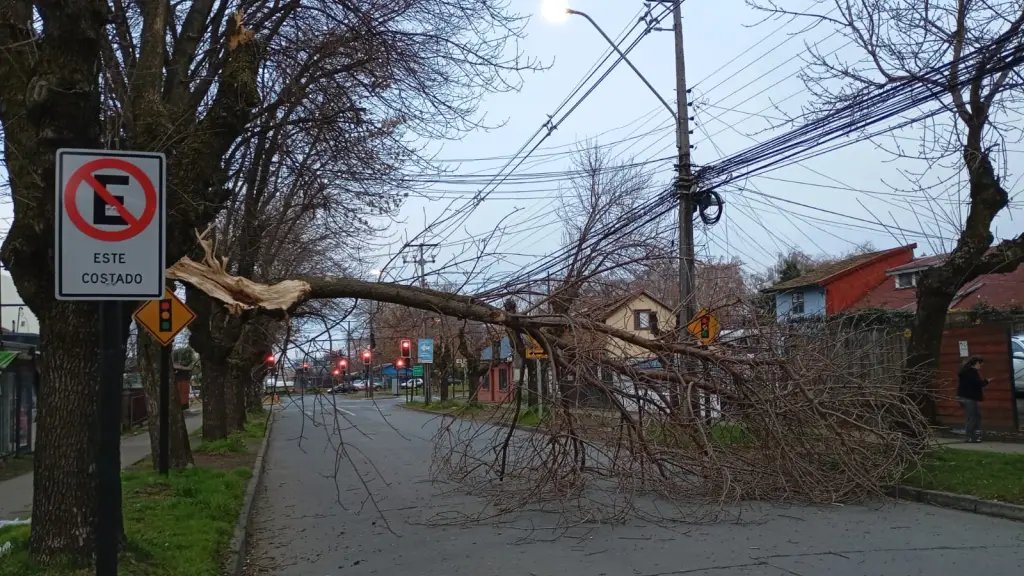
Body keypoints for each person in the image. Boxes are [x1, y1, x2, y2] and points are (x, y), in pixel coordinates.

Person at [956, 355, 990, 443]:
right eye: (980, 364)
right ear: (977, 363)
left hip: (962, 396)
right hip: (969, 398)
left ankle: (975, 435)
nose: (980, 367)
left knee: (975, 416)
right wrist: (986, 382)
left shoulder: (964, 370)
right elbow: (976, 384)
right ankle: (970, 437)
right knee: (972, 417)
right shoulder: (972, 372)